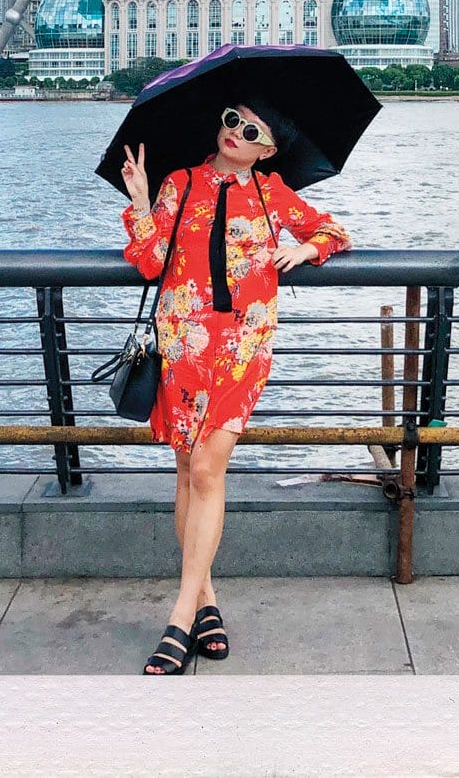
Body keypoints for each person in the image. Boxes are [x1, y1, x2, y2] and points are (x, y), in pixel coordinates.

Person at [119, 96, 351, 674]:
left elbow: (332, 228)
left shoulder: (272, 193)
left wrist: (306, 247)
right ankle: (207, 601)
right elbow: (149, 263)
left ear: (268, 150)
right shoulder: (180, 183)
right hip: (182, 343)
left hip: (244, 346)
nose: (235, 133)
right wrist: (143, 201)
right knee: (186, 469)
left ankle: (178, 617)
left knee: (207, 467)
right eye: (231, 118)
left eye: (250, 130)